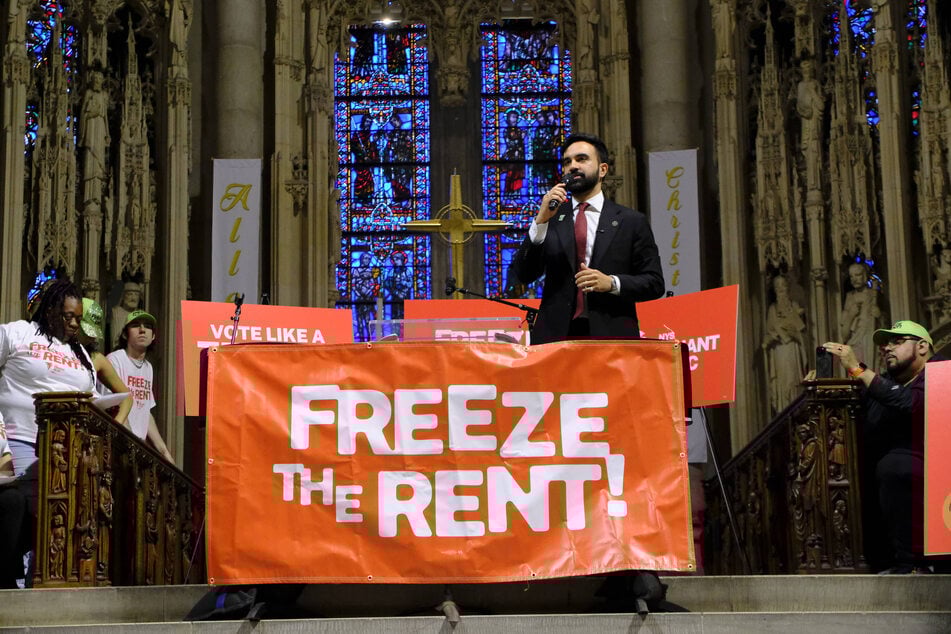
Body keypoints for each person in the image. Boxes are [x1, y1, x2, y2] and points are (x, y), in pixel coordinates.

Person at [509, 133, 665, 344]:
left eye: (581, 159)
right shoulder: (551, 219)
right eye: (567, 162)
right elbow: (523, 274)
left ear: (603, 170)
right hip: (556, 339)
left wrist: (611, 283)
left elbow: (654, 283)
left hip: (612, 337)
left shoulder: (631, 221)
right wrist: (540, 222)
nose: (572, 166)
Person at [822, 320, 938, 573]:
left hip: (936, 470)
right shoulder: (883, 382)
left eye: (897, 341)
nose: (886, 347)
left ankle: (915, 564)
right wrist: (818, 390)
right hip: (889, 473)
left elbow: (911, 402)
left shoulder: (940, 373)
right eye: (885, 343)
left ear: (921, 347)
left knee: (896, 466)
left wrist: (857, 368)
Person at [0, 279, 97, 514]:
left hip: (69, 450)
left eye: (78, 318)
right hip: (20, 441)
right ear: (51, 309)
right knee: (31, 518)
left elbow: (92, 399)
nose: (74, 324)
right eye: (68, 316)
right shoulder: (19, 332)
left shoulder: (80, 353)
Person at [106, 310, 173, 462]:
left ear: (153, 336)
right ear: (125, 334)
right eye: (136, 325)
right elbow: (113, 407)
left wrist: (164, 451)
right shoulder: (115, 360)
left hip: (136, 449)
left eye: (148, 326)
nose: (142, 330)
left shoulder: (148, 367)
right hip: (117, 444)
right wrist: (135, 444)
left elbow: (145, 411)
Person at [77, 298, 133, 426]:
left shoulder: (96, 358)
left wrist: (115, 426)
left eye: (93, 332)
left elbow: (127, 398)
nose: (92, 337)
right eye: (87, 331)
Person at [109, 281, 143, 351]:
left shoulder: (141, 314)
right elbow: (115, 341)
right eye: (130, 294)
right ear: (123, 296)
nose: (133, 298)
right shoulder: (116, 312)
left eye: (136, 294)